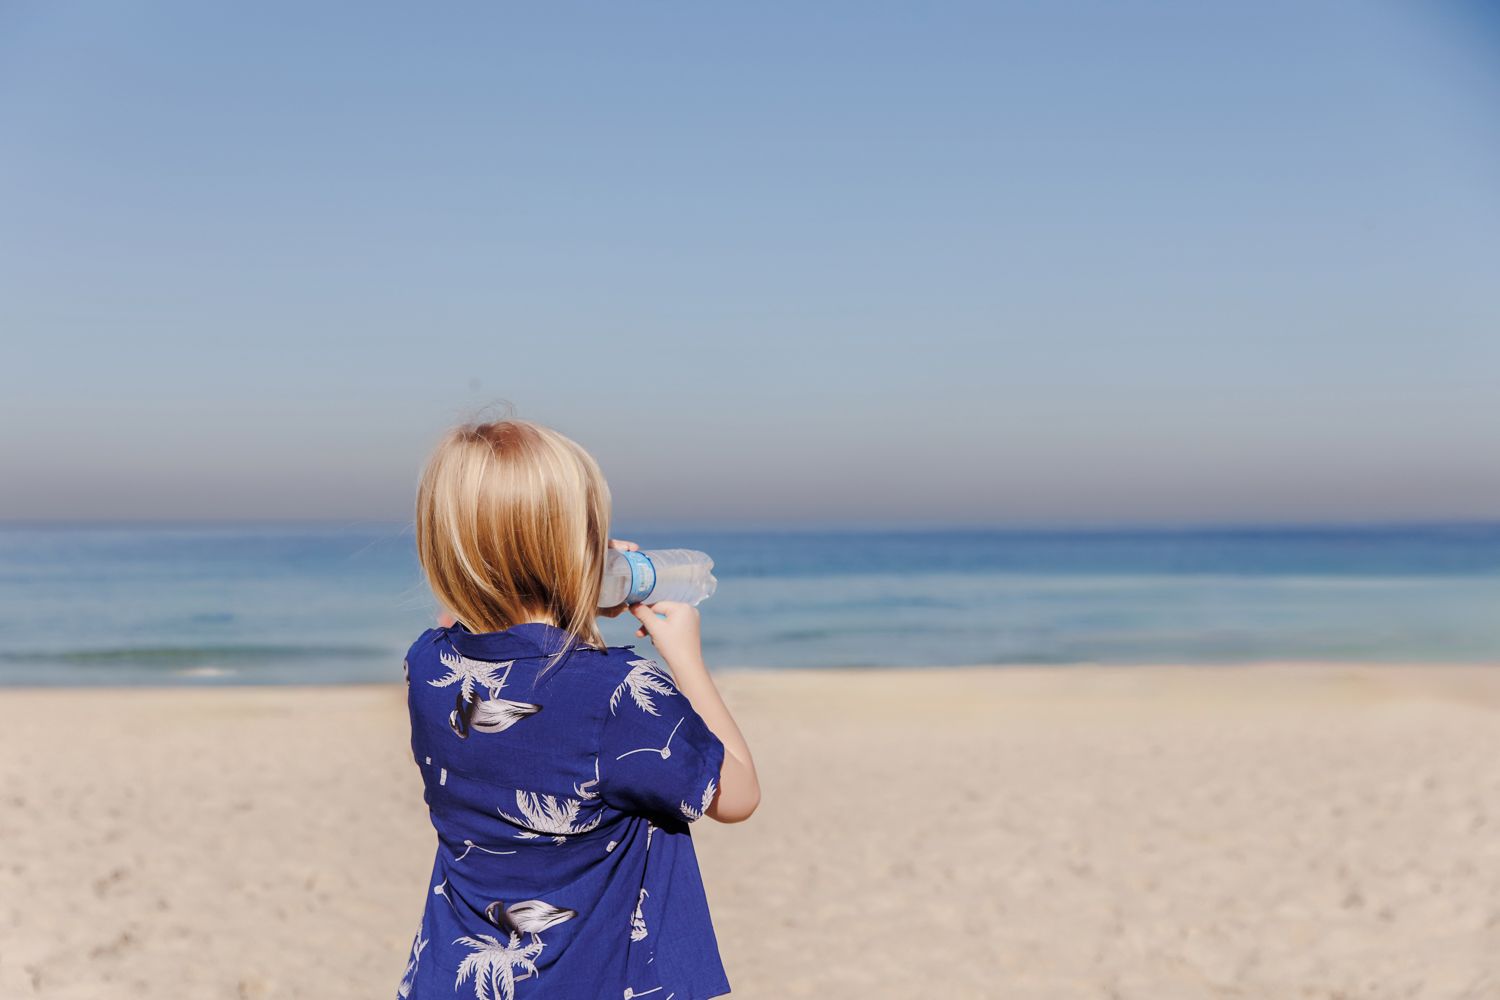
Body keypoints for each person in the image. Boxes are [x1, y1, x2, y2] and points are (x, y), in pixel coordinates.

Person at [397, 418, 759, 1000]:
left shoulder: (427, 666)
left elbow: (493, 639)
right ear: (578, 546)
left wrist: (573, 595)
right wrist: (685, 659)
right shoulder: (618, 693)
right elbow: (738, 796)